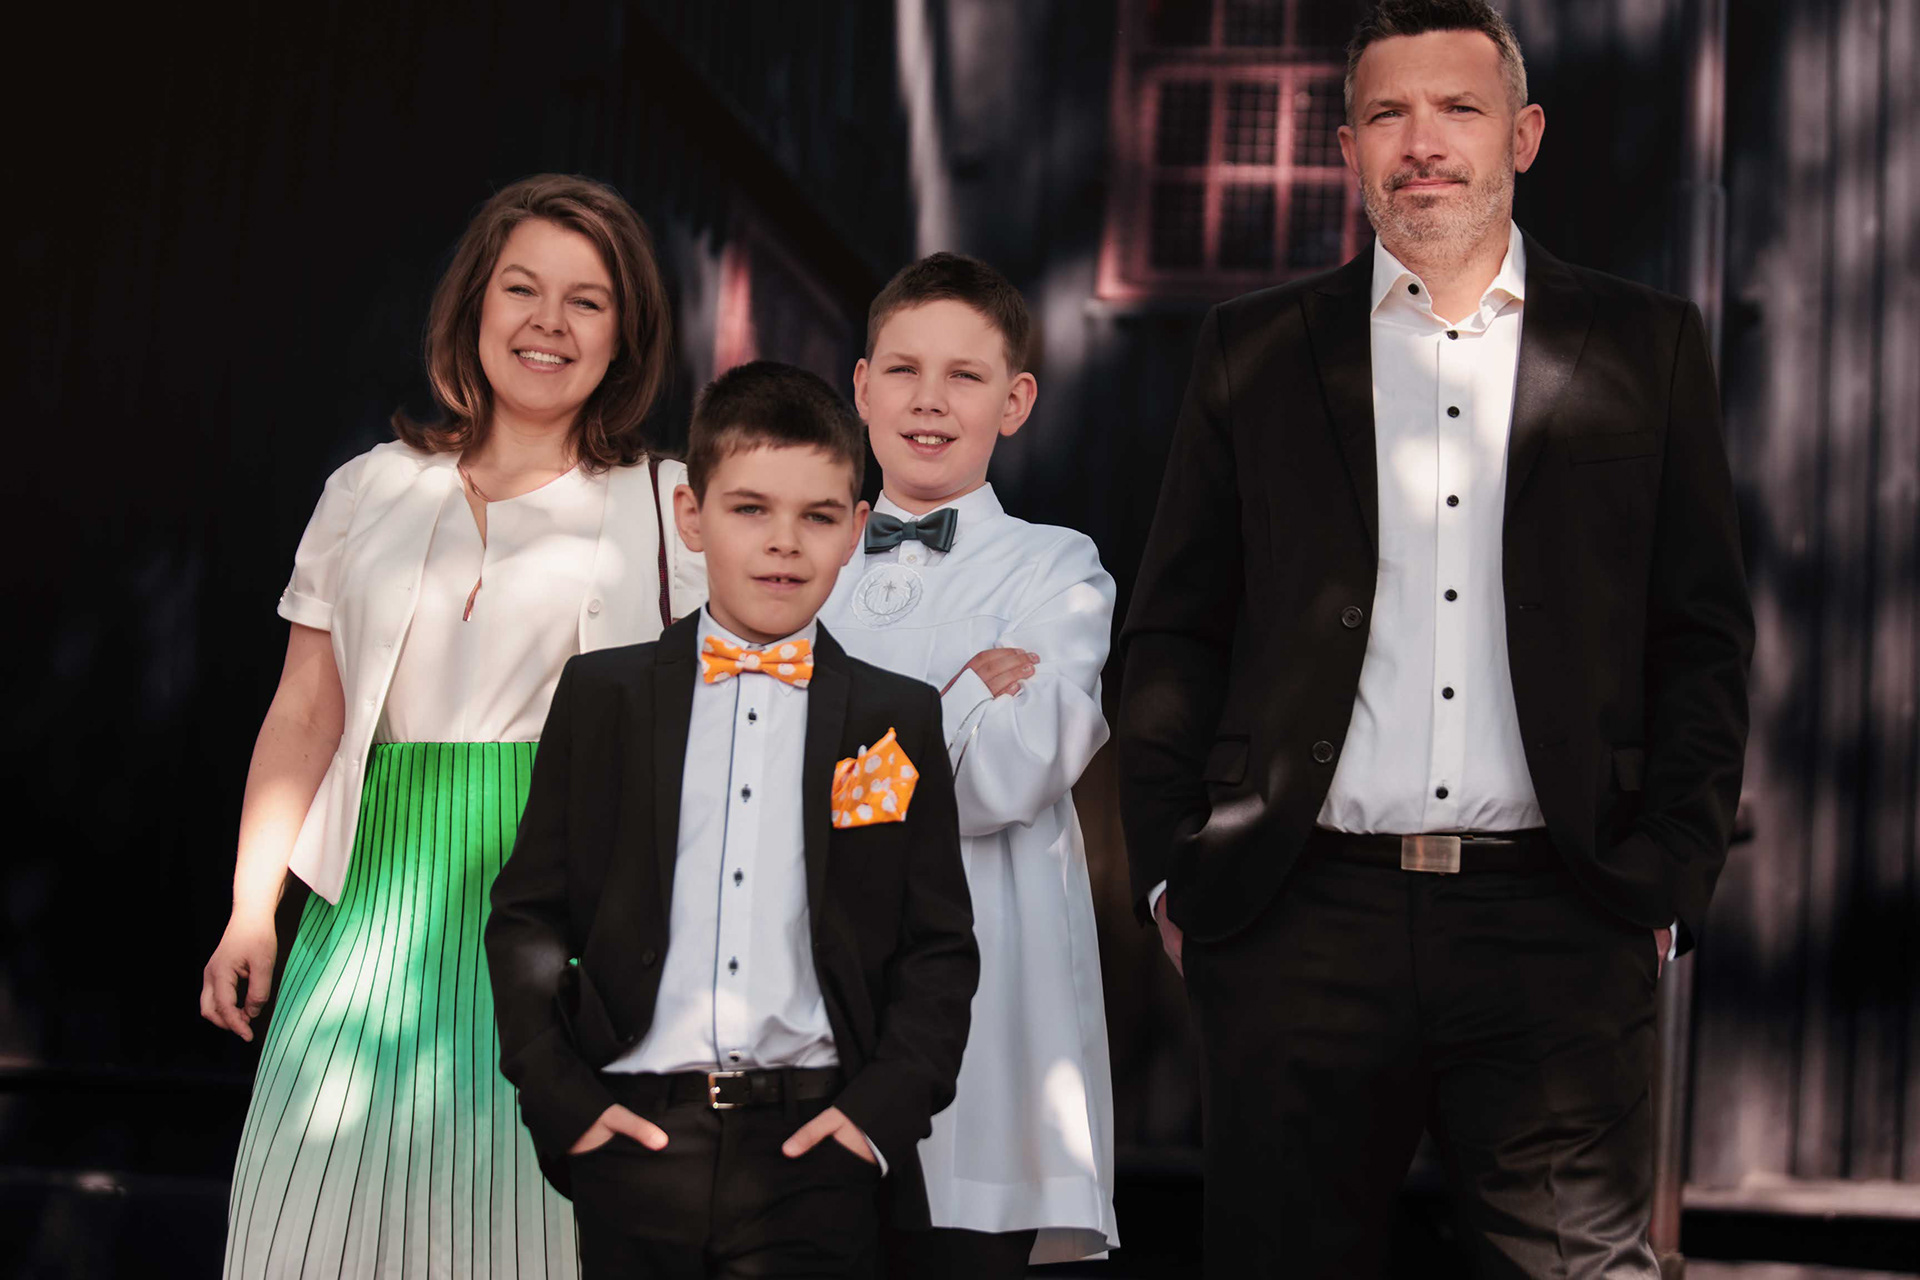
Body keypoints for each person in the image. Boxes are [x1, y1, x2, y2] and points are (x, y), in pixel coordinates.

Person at [1116, 2, 1755, 1275]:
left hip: (1563, 919)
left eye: (1459, 108)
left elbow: (1701, 637)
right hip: (1300, 919)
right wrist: (1177, 874)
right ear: (1347, 148)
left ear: (1523, 135)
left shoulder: (1646, 344)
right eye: (1388, 114)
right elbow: (1177, 627)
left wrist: (1667, 880)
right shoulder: (1254, 349)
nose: (1423, 142)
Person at [200, 174, 705, 1279]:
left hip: (564, 910)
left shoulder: (674, 503)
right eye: (522, 287)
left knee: (521, 1231)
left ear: (625, 336)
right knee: (308, 1224)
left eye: (587, 300)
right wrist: (251, 908)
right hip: (370, 900)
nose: (547, 321)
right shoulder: (367, 487)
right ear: (474, 303)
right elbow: (304, 713)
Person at [485, 360, 979, 1279]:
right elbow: (528, 918)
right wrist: (566, 1106)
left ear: (857, 531)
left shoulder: (897, 716)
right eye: (750, 509)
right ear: (691, 516)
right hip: (636, 1140)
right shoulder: (603, 695)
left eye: (818, 517)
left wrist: (876, 1119)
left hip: (817, 1153)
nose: (783, 543)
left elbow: (938, 948)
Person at [819, 251, 1120, 1276]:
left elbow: (1012, 771)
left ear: (1016, 401)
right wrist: (953, 701)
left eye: (965, 375)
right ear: (863, 387)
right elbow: (742, 761)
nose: (929, 400)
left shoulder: (1058, 567)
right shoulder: (795, 559)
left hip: (982, 1012)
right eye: (904, 370)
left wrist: (831, 749)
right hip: (803, 994)